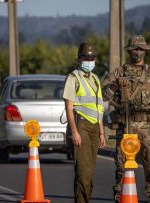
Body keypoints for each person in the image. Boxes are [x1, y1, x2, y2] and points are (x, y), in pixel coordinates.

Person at [102, 35, 150, 203]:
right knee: (122, 168)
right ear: (129, 51)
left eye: (141, 49)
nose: (138, 52)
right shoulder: (119, 72)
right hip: (126, 127)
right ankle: (121, 197)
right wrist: (115, 85)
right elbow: (104, 95)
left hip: (149, 127)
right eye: (135, 48)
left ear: (145, 51)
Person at [63, 42, 106, 203]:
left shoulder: (95, 78)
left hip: (95, 126)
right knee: (83, 171)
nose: (89, 60)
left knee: (90, 171)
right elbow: (68, 107)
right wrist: (74, 131)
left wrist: (102, 131)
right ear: (79, 60)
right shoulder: (73, 78)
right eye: (86, 58)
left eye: (92, 57)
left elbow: (99, 107)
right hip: (81, 124)